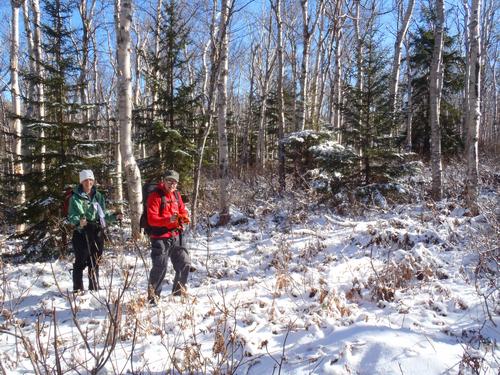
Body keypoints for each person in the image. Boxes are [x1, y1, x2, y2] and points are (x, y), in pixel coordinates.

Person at [67, 169, 122, 293]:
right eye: (86, 180)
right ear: (81, 182)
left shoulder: (98, 196)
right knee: (80, 260)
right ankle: (78, 288)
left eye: (91, 179)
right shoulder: (75, 197)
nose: (89, 182)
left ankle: (94, 286)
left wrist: (114, 216)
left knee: (95, 260)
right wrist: (78, 221)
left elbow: (103, 214)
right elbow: (71, 216)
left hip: (96, 231)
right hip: (82, 232)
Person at [147, 169, 191, 303]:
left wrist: (183, 219)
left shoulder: (177, 196)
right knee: (160, 267)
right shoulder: (155, 196)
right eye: (169, 181)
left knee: (185, 263)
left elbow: (183, 212)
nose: (172, 184)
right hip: (160, 238)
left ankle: (178, 295)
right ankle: (153, 299)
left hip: (176, 236)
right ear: (164, 181)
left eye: (174, 182)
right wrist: (168, 220)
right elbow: (152, 219)